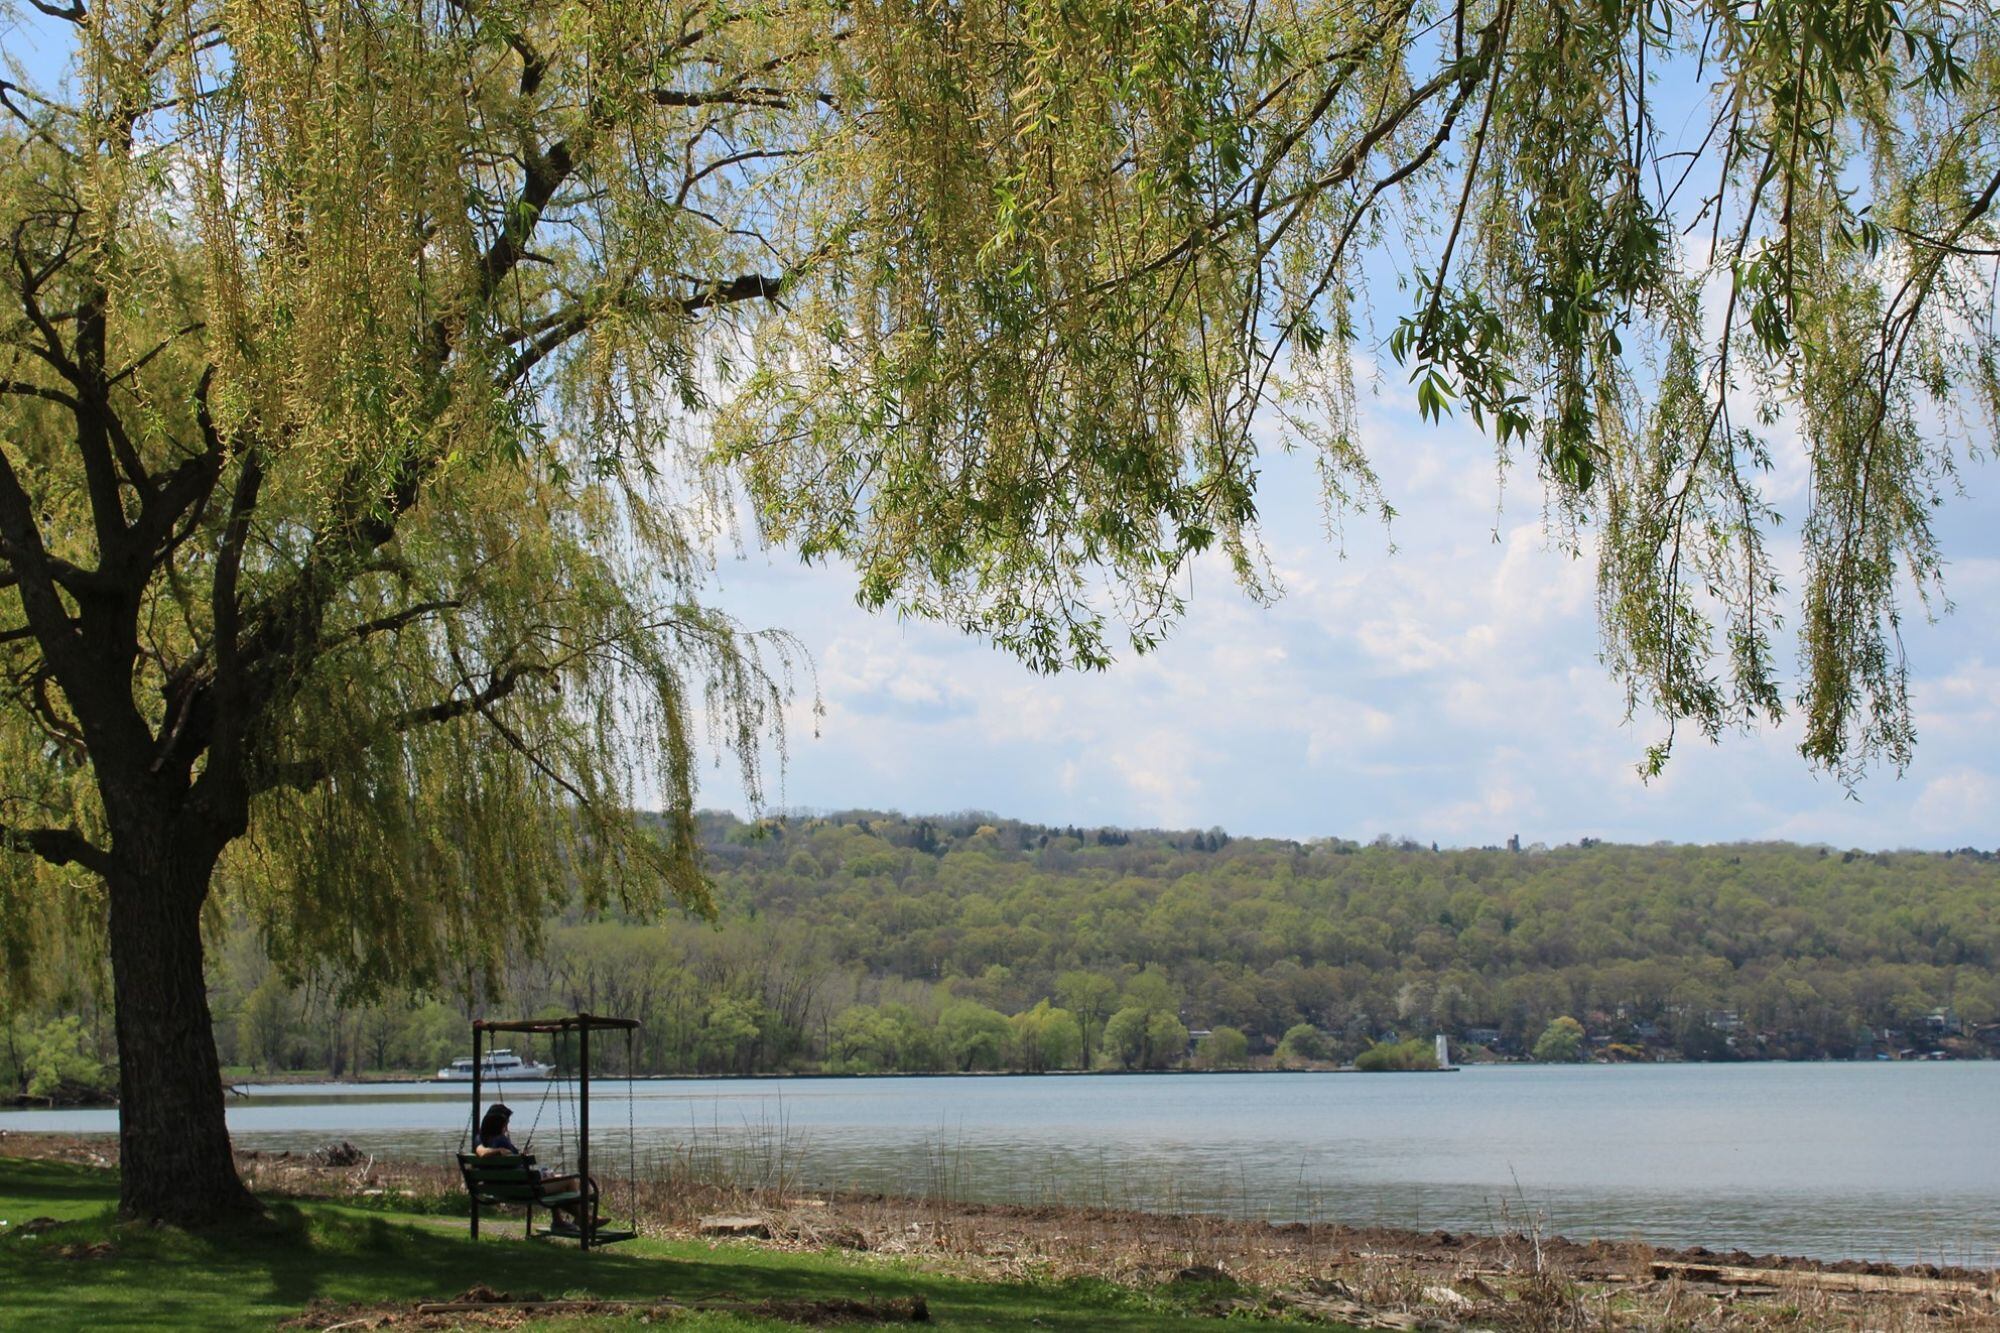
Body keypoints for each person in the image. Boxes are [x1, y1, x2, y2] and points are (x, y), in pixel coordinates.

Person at [475, 1102, 592, 1236]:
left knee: (558, 1181)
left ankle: (569, 1219)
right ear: (499, 1123)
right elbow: (489, 1154)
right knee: (570, 1181)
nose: (507, 1128)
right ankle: (581, 1219)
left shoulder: (480, 1139)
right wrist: (503, 1151)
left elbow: (482, 1152)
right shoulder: (501, 1141)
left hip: (501, 1190)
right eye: (506, 1123)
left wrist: (513, 1156)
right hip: (525, 1189)